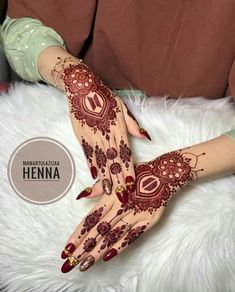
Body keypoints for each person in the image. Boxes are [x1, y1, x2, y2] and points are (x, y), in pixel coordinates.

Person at [0, 1, 235, 273]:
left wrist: (174, 170)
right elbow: (23, 24)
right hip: (62, 128)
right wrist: (78, 80)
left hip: (206, 151)